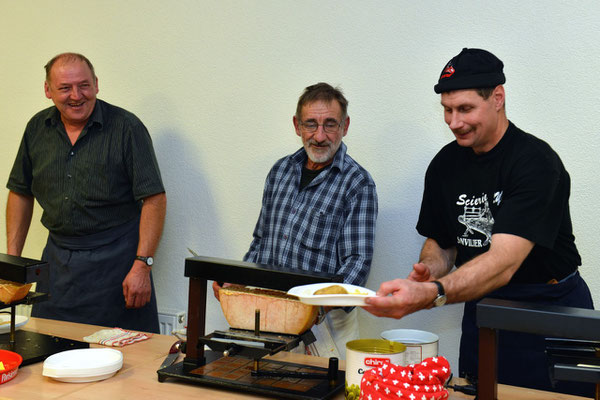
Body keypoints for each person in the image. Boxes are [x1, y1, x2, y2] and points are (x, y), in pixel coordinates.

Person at [364, 48, 594, 396]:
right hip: (484, 311)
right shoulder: (445, 165)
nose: (454, 122)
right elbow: (442, 242)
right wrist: (431, 268)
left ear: (498, 98)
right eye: (447, 110)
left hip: (549, 311)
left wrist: (433, 293)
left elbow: (503, 264)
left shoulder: (536, 162)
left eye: (465, 109)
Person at [213, 83, 378, 359]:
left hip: (326, 329)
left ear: (345, 126)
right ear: (297, 125)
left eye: (330, 125)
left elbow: (357, 264)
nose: (320, 136)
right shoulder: (279, 171)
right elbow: (261, 243)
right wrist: (237, 282)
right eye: (311, 124)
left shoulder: (357, 182)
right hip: (271, 317)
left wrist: (315, 308)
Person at [6, 52, 166, 333]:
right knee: (47, 349)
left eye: (84, 85)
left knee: (127, 363)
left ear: (96, 84)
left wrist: (143, 265)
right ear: (48, 90)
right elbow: (20, 192)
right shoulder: (36, 129)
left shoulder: (127, 128)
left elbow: (154, 199)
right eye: (65, 88)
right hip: (57, 265)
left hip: (118, 265)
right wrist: (12, 263)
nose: (76, 96)